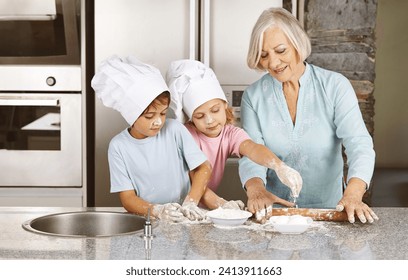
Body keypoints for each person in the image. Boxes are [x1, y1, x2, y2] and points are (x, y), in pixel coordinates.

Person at [239, 7, 378, 223]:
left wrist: (353, 194)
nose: (273, 63)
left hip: (329, 213)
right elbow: (250, 152)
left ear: (297, 44)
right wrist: (256, 189)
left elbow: (359, 144)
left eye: (281, 50)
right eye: (264, 55)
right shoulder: (253, 96)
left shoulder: (335, 86)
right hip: (276, 217)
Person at [166, 59, 302, 213]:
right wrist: (222, 205)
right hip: (176, 206)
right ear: (191, 118)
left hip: (198, 208)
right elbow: (194, 182)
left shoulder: (230, 134)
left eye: (215, 110)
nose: (209, 120)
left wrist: (278, 166)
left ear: (225, 105)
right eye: (199, 116)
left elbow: (253, 148)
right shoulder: (186, 136)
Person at [91, 55, 212, 222]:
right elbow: (127, 198)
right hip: (146, 222)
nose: (158, 121)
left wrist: (191, 202)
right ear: (130, 114)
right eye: (149, 116)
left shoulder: (175, 130)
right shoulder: (118, 147)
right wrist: (157, 211)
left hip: (184, 221)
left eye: (163, 113)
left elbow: (202, 168)